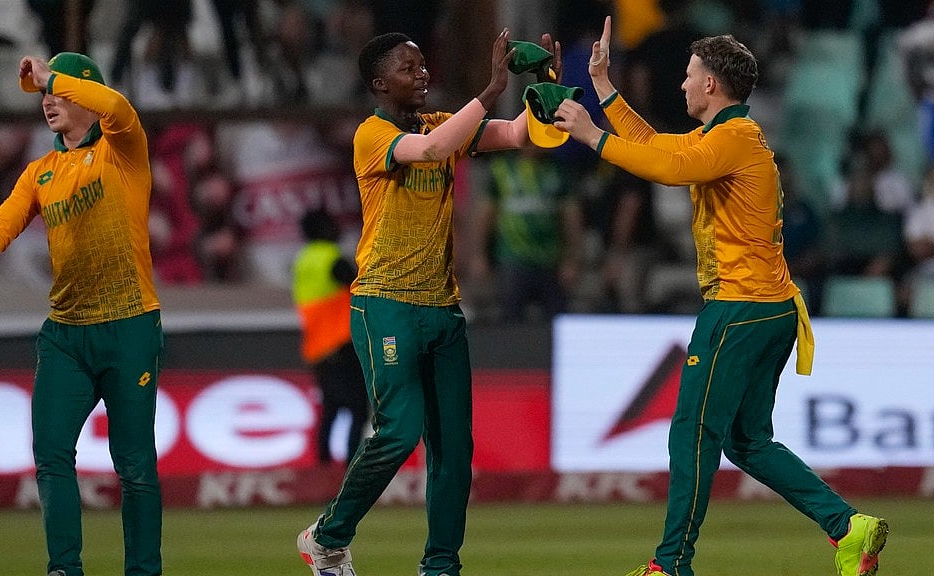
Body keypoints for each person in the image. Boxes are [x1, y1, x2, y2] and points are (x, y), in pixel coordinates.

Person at [553, 16, 889, 576]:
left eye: (688, 76)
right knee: (747, 441)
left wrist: (591, 135)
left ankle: (671, 565)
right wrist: (605, 89)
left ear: (711, 84)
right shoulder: (730, 137)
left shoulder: (731, 140)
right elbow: (659, 146)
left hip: (739, 310)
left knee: (691, 433)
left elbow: (666, 166)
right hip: (770, 309)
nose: (681, 85)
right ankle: (847, 527)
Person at [296, 28, 562, 576]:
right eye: (407, 67)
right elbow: (434, 151)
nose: (422, 74)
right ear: (378, 83)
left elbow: (518, 137)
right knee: (398, 431)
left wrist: (544, 85)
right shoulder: (371, 135)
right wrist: (490, 89)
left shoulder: (441, 122)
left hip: (442, 309)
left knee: (453, 451)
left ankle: (440, 566)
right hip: (385, 302)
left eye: (422, 65)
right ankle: (326, 536)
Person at [0, 52, 164, 576]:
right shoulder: (40, 173)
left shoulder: (123, 149)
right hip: (65, 335)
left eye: (60, 93)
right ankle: (64, 569)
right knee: (52, 457)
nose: (48, 101)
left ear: (85, 95)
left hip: (129, 325)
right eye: (44, 95)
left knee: (134, 468)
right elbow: (1, 225)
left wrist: (49, 75)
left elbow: (117, 105)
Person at [468, 142, 584, 322]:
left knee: (555, 323)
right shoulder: (501, 168)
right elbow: (485, 215)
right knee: (510, 321)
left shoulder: (557, 169)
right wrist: (479, 255)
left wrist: (571, 260)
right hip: (512, 259)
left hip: (549, 260)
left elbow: (571, 218)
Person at [291, 208, 369, 466]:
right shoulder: (331, 258)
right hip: (341, 344)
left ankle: (322, 468)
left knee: (331, 409)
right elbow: (361, 285)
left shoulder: (302, 261)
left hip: (316, 347)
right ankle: (351, 467)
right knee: (358, 408)